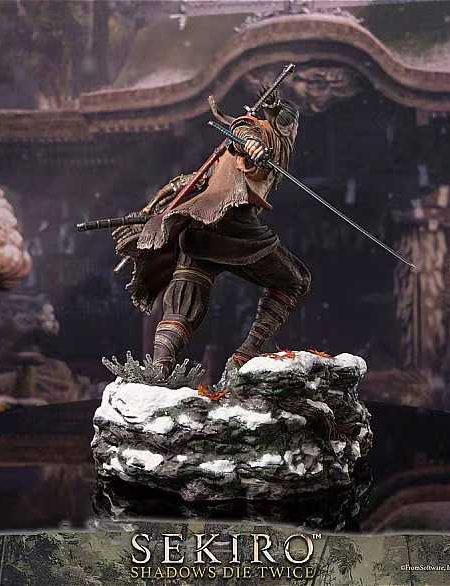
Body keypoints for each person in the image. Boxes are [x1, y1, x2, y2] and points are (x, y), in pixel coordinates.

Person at [113, 90, 311, 376]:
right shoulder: (259, 130)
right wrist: (253, 148)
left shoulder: (232, 152)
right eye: (293, 126)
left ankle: (160, 367)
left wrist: (151, 209)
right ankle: (244, 358)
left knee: (185, 299)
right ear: (289, 125)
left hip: (199, 231)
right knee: (295, 281)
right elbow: (243, 135)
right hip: (231, 226)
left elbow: (185, 183)